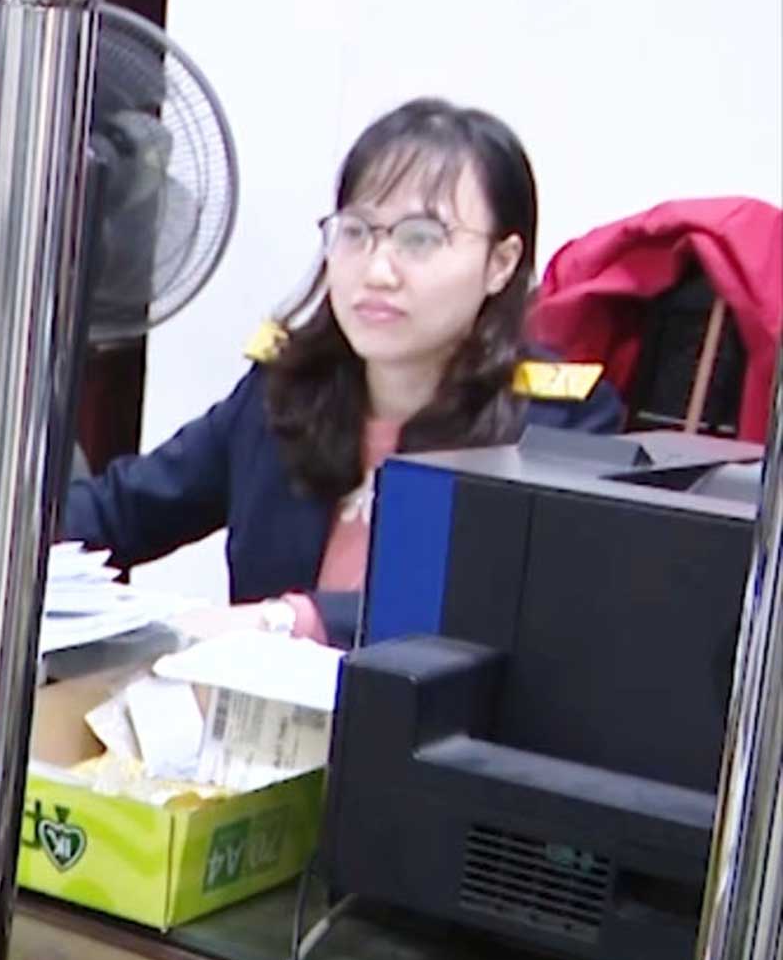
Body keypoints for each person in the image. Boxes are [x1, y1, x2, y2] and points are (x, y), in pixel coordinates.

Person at [61, 98, 622, 646]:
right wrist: (12, 539)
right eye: (356, 232)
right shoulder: (286, 389)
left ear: (500, 263)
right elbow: (121, 511)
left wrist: (288, 621)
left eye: (420, 239)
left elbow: (490, 609)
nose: (377, 271)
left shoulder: (556, 425)